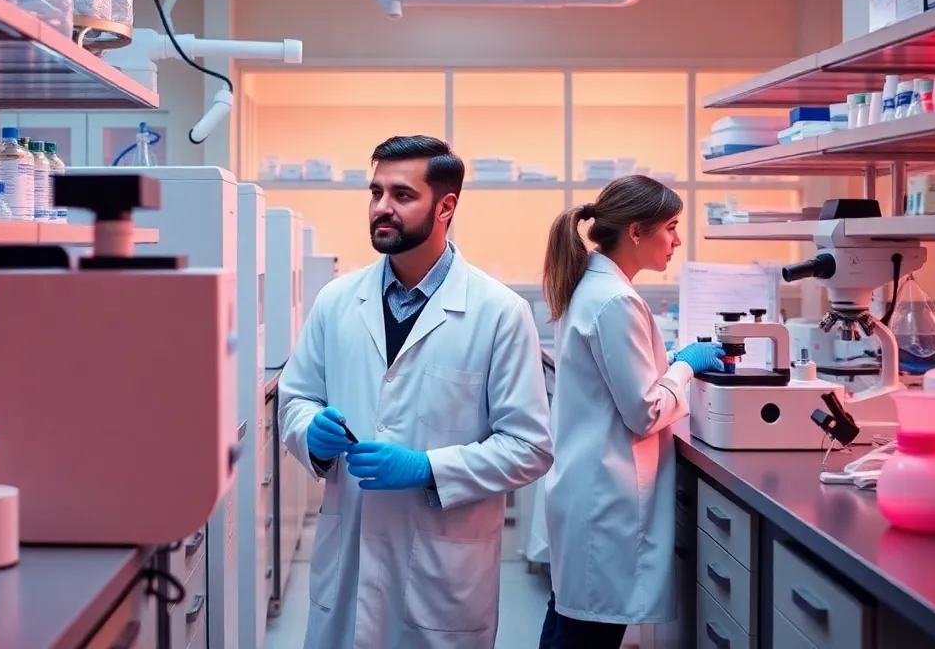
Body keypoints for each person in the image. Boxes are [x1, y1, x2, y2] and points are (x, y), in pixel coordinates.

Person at [278, 135, 553, 649]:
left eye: (402, 195)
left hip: (442, 573)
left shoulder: (499, 314)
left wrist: (429, 469)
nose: (382, 207)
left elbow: (530, 447)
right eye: (376, 192)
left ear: (446, 206)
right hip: (349, 558)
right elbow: (296, 399)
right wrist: (308, 434)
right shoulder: (337, 301)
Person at [537, 175, 726, 649]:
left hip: (587, 492)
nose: (677, 240)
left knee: (567, 626)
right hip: (605, 501)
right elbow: (644, 411)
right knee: (582, 633)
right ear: (637, 232)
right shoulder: (615, 300)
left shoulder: (593, 287)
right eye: (671, 227)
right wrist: (683, 367)